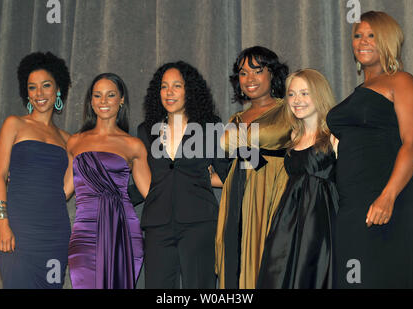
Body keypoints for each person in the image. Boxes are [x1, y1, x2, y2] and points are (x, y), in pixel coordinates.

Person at [326, 11, 413, 288]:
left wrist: (387, 197)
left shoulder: (402, 82)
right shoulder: (360, 90)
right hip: (352, 202)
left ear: (388, 40)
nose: (363, 41)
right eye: (357, 35)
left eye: (372, 35)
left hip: (388, 198)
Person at [135, 61, 229, 289]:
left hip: (199, 224)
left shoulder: (209, 128)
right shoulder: (146, 130)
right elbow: (146, 175)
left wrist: (204, 178)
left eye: (177, 86)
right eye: (164, 86)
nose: (169, 92)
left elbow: (229, 175)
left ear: (190, 91)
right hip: (157, 225)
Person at [0, 51, 72, 288]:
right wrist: (2, 223)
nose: (39, 93)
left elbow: (64, 191)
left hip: (55, 234)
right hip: (18, 231)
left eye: (46, 85)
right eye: (32, 87)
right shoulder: (14, 124)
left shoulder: (69, 140)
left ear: (58, 89)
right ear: (26, 92)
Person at [65, 73, 150, 289]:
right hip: (84, 233)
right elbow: (64, 190)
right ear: (90, 101)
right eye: (97, 96)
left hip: (123, 231)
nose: (103, 101)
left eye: (110, 95)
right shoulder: (75, 142)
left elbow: (151, 192)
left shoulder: (133, 145)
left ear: (121, 100)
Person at [215, 46, 291, 289]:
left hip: (273, 196)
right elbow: (230, 168)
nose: (249, 79)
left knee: (268, 265)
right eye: (243, 73)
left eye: (257, 71)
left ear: (272, 74)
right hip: (236, 198)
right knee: (235, 264)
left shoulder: (289, 110)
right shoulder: (235, 119)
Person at [257, 69, 338, 289]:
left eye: (304, 93)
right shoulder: (293, 136)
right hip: (289, 219)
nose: (297, 100)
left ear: (319, 95)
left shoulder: (334, 136)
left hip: (320, 220)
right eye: (291, 94)